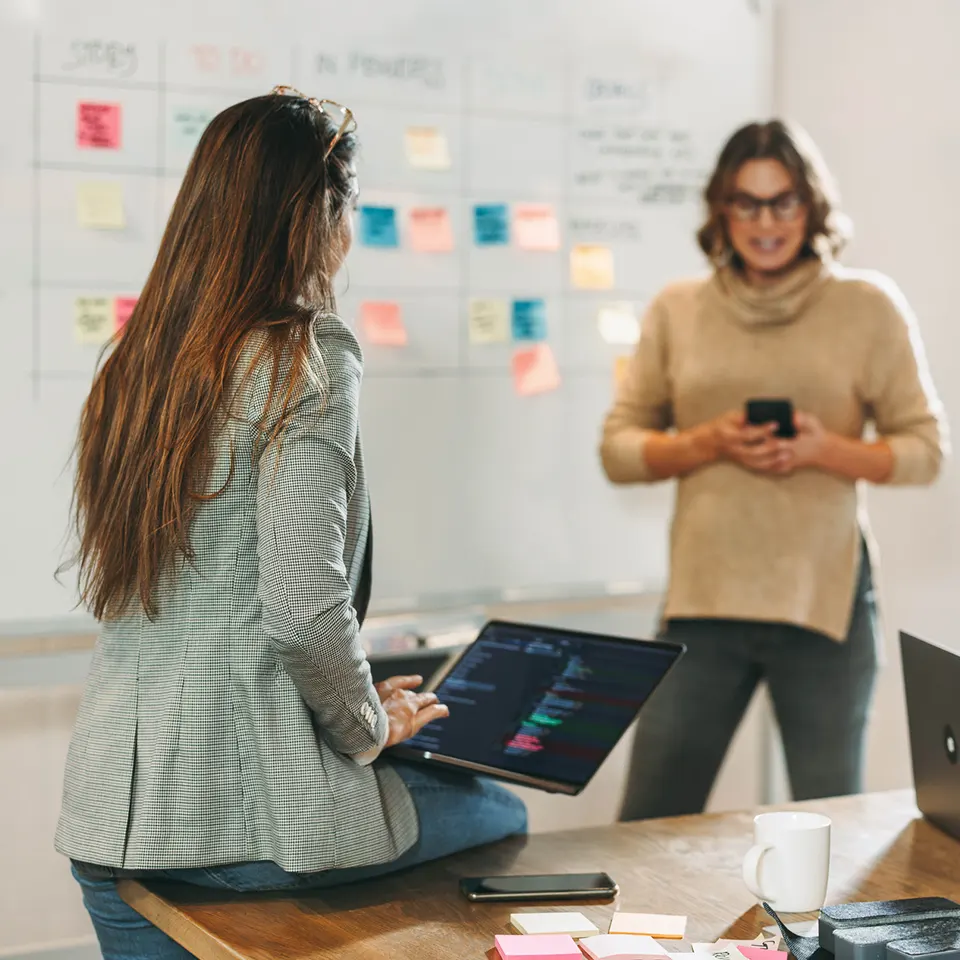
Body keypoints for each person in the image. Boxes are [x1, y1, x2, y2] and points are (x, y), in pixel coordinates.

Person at [56, 87, 526, 959]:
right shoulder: (303, 356)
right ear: (319, 216)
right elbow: (302, 609)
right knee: (501, 811)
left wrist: (354, 705)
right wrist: (369, 727)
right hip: (243, 828)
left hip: (110, 820)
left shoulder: (136, 364)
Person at [600, 119, 947, 822]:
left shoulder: (867, 306)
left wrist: (825, 451)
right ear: (721, 210)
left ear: (811, 207)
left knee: (831, 832)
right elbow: (618, 449)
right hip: (703, 602)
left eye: (783, 201)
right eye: (747, 203)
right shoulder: (679, 307)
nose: (766, 222)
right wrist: (709, 442)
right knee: (647, 825)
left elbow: (925, 451)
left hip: (824, 607)